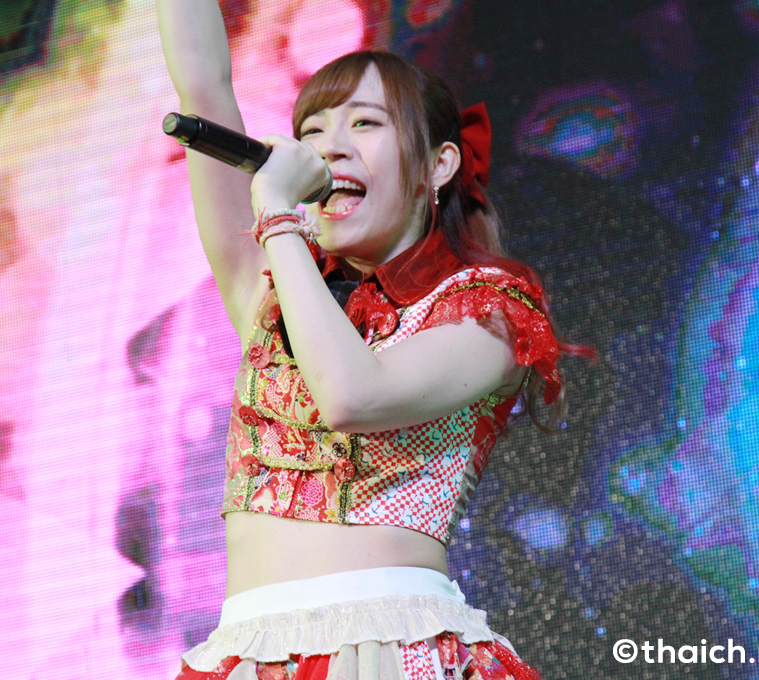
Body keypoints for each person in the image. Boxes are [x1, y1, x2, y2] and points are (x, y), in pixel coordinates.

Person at [158, 2, 588, 679]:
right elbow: (205, 85)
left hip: (386, 645)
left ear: (438, 165)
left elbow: (352, 397)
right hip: (246, 652)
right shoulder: (271, 295)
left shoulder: (491, 310)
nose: (328, 148)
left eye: (363, 123)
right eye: (312, 131)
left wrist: (279, 217)